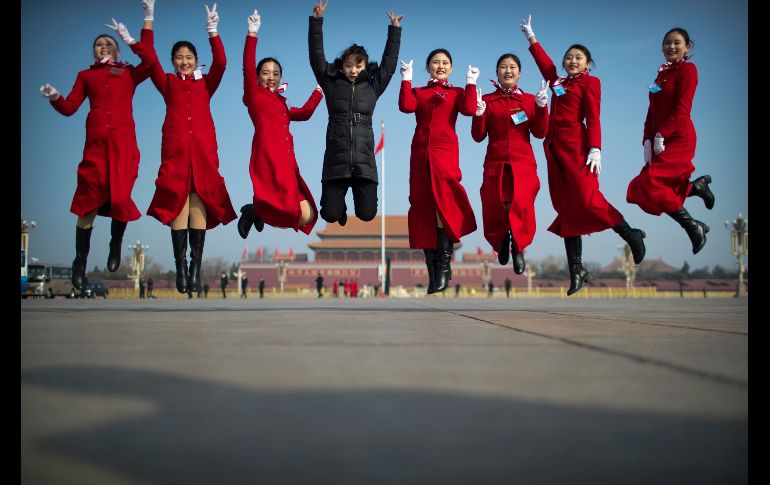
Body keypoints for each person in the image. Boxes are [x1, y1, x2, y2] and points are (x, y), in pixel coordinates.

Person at [520, 15, 646, 296]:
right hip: (555, 151)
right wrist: (532, 38)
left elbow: (594, 117)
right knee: (566, 208)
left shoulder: (591, 83)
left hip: (578, 149)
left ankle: (630, 234)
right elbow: (545, 64)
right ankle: (576, 270)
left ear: (587, 64)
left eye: (579, 58)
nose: (573, 60)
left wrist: (596, 148)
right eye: (569, 57)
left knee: (589, 199)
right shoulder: (557, 81)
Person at [39, 1, 157, 291]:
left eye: (108, 43)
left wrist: (138, 30)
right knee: (87, 204)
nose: (102, 47)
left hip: (123, 147)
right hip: (94, 149)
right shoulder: (86, 76)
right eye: (98, 44)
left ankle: (115, 242)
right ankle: (81, 260)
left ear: (117, 51)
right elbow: (69, 108)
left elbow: (152, 63)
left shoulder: (129, 73)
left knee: (120, 200)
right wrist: (54, 96)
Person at [145, 3, 237, 296]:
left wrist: (213, 32)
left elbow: (221, 63)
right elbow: (149, 60)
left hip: (203, 151)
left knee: (199, 203)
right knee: (177, 205)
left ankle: (195, 268)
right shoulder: (167, 83)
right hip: (175, 152)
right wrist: (148, 19)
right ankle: (180, 267)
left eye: (189, 57)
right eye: (179, 58)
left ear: (196, 60)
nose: (184, 61)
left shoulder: (206, 84)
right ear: (173, 61)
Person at [308, 1, 402, 226]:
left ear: (365, 67)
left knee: (367, 214)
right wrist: (316, 21)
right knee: (330, 215)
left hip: (363, 162)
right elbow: (316, 55)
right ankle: (338, 211)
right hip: (336, 158)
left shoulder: (373, 86)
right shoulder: (331, 83)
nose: (353, 70)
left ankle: (351, 207)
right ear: (342, 66)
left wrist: (395, 31)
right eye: (349, 65)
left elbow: (389, 65)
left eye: (358, 66)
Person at [237, 9, 325, 241]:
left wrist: (319, 90)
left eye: (276, 73)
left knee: (307, 214)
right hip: (267, 159)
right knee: (285, 208)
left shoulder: (283, 106)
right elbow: (247, 66)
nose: (271, 76)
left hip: (288, 162)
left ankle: (255, 211)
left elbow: (305, 114)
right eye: (265, 72)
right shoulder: (254, 96)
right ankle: (256, 209)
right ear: (257, 77)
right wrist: (252, 34)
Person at [398, 49, 478, 294]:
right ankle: (432, 269)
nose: (440, 66)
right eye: (435, 62)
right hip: (420, 154)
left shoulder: (457, 93)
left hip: (445, 152)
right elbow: (406, 106)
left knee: (444, 205)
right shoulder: (420, 92)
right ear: (428, 67)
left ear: (451, 68)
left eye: (445, 63)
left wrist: (471, 83)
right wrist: (406, 79)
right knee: (424, 207)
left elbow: (470, 109)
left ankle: (443, 264)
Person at [626, 27, 712, 255]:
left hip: (678, 137)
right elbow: (651, 112)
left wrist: (662, 134)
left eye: (677, 43)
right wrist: (646, 139)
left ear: (687, 47)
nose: (671, 47)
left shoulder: (688, 70)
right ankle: (695, 189)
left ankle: (693, 226)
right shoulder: (659, 76)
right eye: (667, 43)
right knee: (638, 189)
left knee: (652, 184)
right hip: (656, 140)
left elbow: (683, 108)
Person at [471, 53, 548, 276]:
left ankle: (519, 248)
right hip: (495, 161)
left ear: (519, 72)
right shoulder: (487, 100)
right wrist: (478, 113)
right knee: (497, 204)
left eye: (512, 67)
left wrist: (542, 108)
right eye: (503, 67)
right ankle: (502, 240)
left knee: (520, 204)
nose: (508, 71)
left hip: (522, 162)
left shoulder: (529, 100)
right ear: (496, 72)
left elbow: (540, 132)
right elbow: (478, 136)